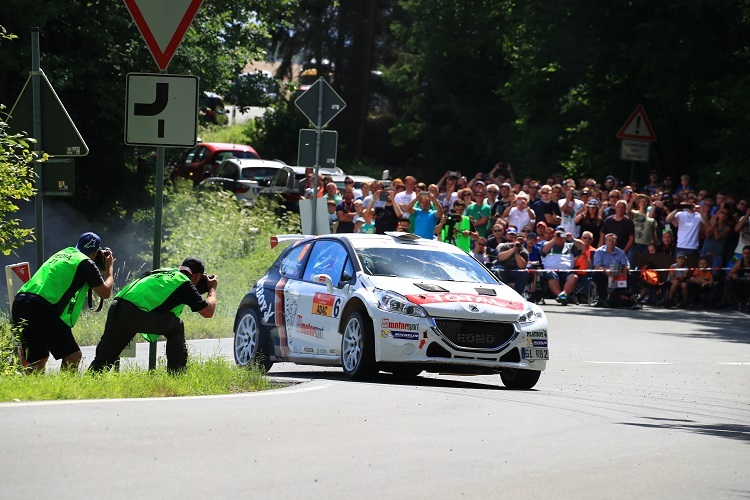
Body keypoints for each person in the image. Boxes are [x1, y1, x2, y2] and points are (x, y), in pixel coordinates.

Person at [90, 257, 217, 372]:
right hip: (137, 312)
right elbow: (208, 312)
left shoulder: (163, 271)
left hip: (118, 305)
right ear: (197, 276)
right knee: (176, 327)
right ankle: (177, 374)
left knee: (103, 359)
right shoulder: (184, 283)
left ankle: (90, 382)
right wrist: (211, 288)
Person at [12, 232, 114, 372]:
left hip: (21, 302)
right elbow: (105, 292)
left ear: (78, 245)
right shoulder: (86, 263)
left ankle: (31, 392)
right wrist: (109, 267)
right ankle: (64, 393)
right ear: (96, 252)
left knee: (37, 358)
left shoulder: (63, 253)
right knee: (73, 356)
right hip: (41, 308)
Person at [541, 226, 585, 305]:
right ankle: (559, 296)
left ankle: (563, 295)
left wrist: (572, 239)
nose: (560, 238)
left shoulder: (570, 245)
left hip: (566, 271)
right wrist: (554, 239)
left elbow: (583, 246)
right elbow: (544, 250)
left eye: (562, 236)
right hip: (551, 270)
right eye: (558, 236)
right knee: (551, 275)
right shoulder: (547, 244)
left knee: (574, 277)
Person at [592, 233, 631, 308]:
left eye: (613, 241)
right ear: (605, 241)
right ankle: (603, 298)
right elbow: (597, 266)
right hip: (604, 274)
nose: (611, 242)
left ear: (616, 242)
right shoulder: (599, 251)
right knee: (596, 274)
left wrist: (625, 269)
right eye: (609, 240)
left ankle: (616, 297)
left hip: (617, 274)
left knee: (628, 275)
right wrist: (605, 270)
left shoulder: (621, 252)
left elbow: (627, 265)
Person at [725, 245, 750, 311]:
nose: (747, 255)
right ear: (742, 254)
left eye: (748, 253)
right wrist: (733, 275)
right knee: (728, 280)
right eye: (745, 253)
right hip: (741, 282)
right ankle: (735, 304)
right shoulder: (739, 262)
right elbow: (729, 273)